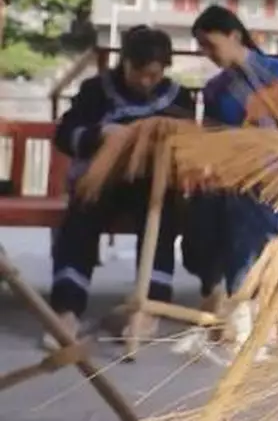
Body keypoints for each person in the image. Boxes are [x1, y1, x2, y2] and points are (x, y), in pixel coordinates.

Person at [48, 25, 196, 345]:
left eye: (154, 75)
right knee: (81, 215)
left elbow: (189, 145)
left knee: (163, 214)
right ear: (124, 62)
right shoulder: (95, 91)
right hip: (102, 181)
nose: (145, 81)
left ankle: (148, 307)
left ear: (164, 69)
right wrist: (99, 134)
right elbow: (64, 136)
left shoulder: (178, 97)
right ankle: (66, 309)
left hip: (152, 185)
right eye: (138, 72)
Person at [185, 5, 278, 313]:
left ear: (234, 35)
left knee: (243, 206)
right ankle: (214, 287)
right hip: (230, 175)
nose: (206, 52)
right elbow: (211, 139)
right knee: (201, 205)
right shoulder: (215, 90)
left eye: (210, 44)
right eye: (202, 47)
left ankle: (240, 296)